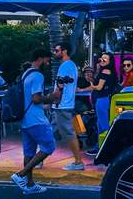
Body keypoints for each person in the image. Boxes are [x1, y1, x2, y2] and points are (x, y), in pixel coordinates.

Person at [11, 49, 60, 195]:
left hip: (25, 120)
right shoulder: (38, 75)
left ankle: (29, 184)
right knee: (49, 146)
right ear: (40, 58)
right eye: (47, 59)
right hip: (36, 120)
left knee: (29, 152)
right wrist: (52, 96)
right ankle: (20, 175)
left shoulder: (26, 74)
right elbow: (36, 98)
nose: (48, 62)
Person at [51, 42, 84, 171]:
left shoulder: (66, 65)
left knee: (69, 133)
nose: (55, 52)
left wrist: (54, 101)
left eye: (57, 50)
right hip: (62, 104)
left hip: (62, 105)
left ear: (64, 51)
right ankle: (39, 159)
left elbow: (60, 85)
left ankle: (78, 161)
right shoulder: (71, 65)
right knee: (50, 132)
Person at [79, 52, 117, 156]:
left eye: (105, 58)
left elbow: (99, 87)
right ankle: (100, 146)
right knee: (100, 124)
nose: (102, 59)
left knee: (103, 125)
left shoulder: (106, 71)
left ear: (109, 61)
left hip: (102, 100)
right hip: (102, 100)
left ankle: (103, 148)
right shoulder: (104, 70)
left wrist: (92, 84)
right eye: (102, 57)